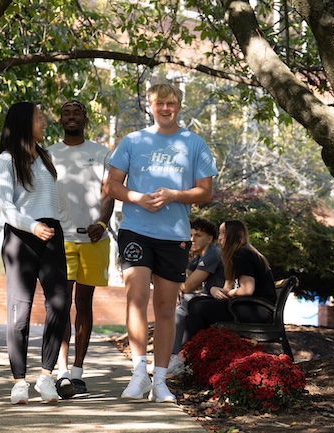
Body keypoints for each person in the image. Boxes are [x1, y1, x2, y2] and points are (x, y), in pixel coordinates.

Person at [105, 83, 217, 403]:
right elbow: (112, 185)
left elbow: (205, 191)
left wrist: (173, 195)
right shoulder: (134, 141)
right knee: (136, 297)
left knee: (166, 307)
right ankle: (138, 373)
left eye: (171, 103)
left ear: (179, 106)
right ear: (150, 106)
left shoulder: (194, 144)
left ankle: (160, 381)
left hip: (174, 235)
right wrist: (137, 197)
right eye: (159, 103)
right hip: (136, 230)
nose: (165, 108)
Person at [0, 101, 69, 404]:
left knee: (60, 304)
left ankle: (46, 376)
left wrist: (53, 227)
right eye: (40, 116)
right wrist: (31, 225)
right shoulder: (6, 159)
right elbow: (5, 205)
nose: (44, 120)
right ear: (25, 122)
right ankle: (19, 382)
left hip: (52, 234)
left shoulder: (46, 156)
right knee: (20, 310)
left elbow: (53, 201)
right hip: (21, 237)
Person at [48, 100, 114, 398]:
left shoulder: (100, 153)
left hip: (94, 239)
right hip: (59, 240)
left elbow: (108, 192)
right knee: (60, 306)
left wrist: (102, 222)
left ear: (85, 118)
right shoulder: (48, 154)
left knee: (84, 305)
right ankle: (61, 372)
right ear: (59, 119)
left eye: (77, 112)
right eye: (66, 113)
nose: (71, 117)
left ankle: (77, 371)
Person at [184, 220, 277, 342]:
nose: (220, 238)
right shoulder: (233, 255)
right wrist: (213, 289)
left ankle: (187, 351)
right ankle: (200, 349)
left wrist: (228, 294)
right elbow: (227, 288)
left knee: (199, 308)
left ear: (233, 235)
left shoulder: (242, 254)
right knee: (195, 301)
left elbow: (247, 289)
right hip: (246, 305)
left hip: (259, 310)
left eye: (223, 233)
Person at [165, 218, 224, 376]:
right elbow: (182, 280)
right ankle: (175, 357)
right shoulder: (198, 257)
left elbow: (187, 286)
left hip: (221, 302)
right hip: (208, 299)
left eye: (197, 235)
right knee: (180, 309)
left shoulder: (212, 254)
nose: (192, 239)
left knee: (182, 305)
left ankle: (177, 358)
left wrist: (180, 286)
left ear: (209, 238)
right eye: (190, 235)